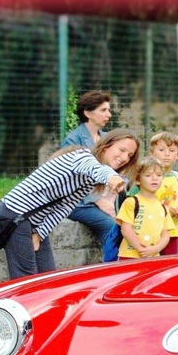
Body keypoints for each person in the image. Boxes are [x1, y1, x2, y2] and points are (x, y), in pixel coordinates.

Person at [0, 129, 136, 279]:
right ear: (106, 146)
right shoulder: (83, 157)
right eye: (122, 150)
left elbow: (65, 207)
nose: (124, 158)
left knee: (49, 277)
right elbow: (97, 169)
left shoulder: (89, 180)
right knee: (25, 278)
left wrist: (39, 234)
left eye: (130, 155)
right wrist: (111, 177)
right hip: (16, 213)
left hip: (34, 222)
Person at [61, 91, 122, 246]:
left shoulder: (107, 138)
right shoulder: (73, 140)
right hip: (77, 202)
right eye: (103, 110)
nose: (109, 114)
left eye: (109, 110)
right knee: (111, 226)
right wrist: (98, 201)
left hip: (104, 197)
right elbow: (70, 180)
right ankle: (113, 260)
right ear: (87, 113)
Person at [131, 132, 178, 255]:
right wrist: (162, 210)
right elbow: (132, 203)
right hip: (147, 231)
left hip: (171, 231)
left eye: (172, 150)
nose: (167, 154)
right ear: (151, 153)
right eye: (161, 150)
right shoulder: (143, 177)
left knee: (169, 263)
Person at [116, 156, 176, 260]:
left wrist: (155, 249)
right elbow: (126, 229)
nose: (155, 178)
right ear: (138, 180)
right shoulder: (131, 202)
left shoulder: (163, 208)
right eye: (148, 175)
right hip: (129, 256)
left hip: (153, 257)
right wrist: (141, 249)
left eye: (159, 175)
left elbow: (166, 234)